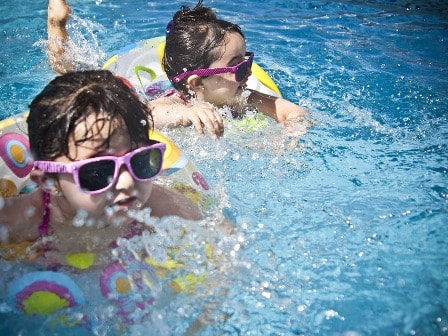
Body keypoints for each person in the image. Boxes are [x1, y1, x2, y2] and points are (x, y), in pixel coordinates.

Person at [0, 70, 201, 268]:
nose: (127, 182)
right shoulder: (18, 221)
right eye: (98, 171)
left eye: (140, 160)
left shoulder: (163, 209)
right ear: (49, 181)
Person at [47, 0, 309, 139]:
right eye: (237, 68)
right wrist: (187, 113)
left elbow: (292, 112)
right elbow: (147, 116)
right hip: (142, 92)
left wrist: (290, 135)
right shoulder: (175, 102)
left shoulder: (243, 97)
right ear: (196, 84)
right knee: (73, 80)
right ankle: (56, 24)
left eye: (247, 61)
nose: (248, 73)